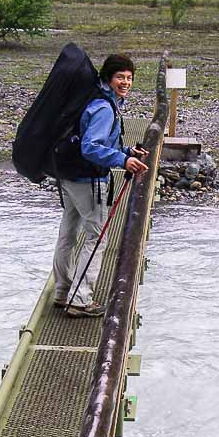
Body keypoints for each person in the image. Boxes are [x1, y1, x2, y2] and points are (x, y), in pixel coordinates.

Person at [52, 53, 149, 318]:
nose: (126, 82)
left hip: (68, 174)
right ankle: (80, 299)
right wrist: (123, 159)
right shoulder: (105, 108)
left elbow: (98, 141)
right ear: (109, 77)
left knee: (68, 233)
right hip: (87, 179)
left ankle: (62, 292)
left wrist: (127, 150)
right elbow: (91, 147)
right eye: (121, 77)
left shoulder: (95, 100)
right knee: (96, 237)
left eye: (130, 78)